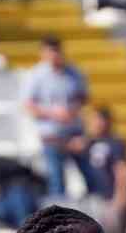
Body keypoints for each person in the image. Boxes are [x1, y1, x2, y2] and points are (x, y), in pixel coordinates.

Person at [24, 38, 93, 200]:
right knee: (57, 181)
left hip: (74, 133)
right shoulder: (36, 76)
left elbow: (83, 97)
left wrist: (71, 111)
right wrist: (53, 114)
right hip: (52, 136)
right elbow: (29, 105)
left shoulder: (74, 73)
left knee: (90, 176)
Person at [72, 106, 126, 233]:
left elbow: (121, 170)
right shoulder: (88, 143)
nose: (94, 124)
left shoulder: (116, 143)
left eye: (97, 119)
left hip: (110, 198)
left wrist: (120, 197)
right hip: (93, 198)